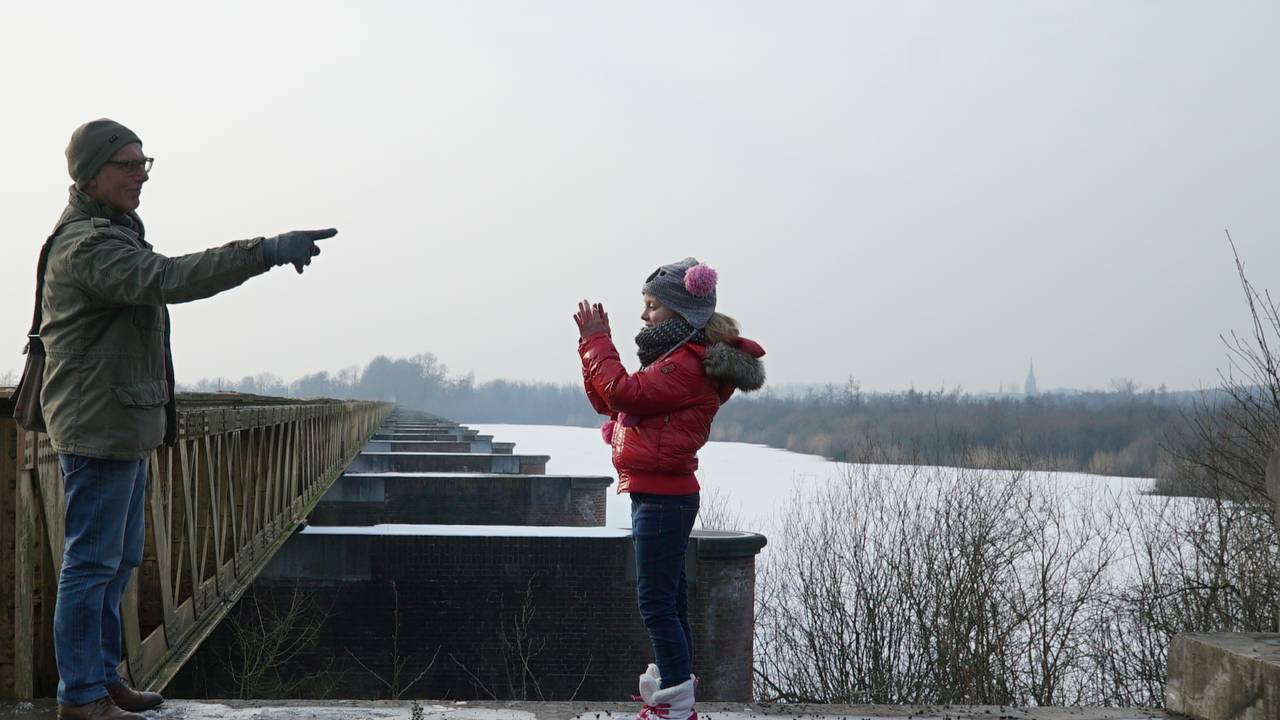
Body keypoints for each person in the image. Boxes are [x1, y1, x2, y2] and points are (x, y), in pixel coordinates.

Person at [40, 119, 336, 720]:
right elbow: (169, 279)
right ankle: (81, 695)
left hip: (122, 423)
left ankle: (101, 678)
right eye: (129, 165)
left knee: (118, 560)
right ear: (91, 173)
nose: (141, 175)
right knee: (91, 563)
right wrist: (263, 252)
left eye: (146, 163)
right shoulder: (88, 246)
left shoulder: (114, 233)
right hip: (98, 426)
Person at [573, 257, 765, 720]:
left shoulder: (686, 364)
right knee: (670, 599)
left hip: (664, 497)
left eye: (652, 306)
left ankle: (676, 705)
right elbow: (607, 398)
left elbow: (623, 394)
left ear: (681, 313)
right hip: (659, 493)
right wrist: (590, 349)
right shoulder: (674, 359)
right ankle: (674, 695)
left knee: (656, 601)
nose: (644, 315)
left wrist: (597, 340)